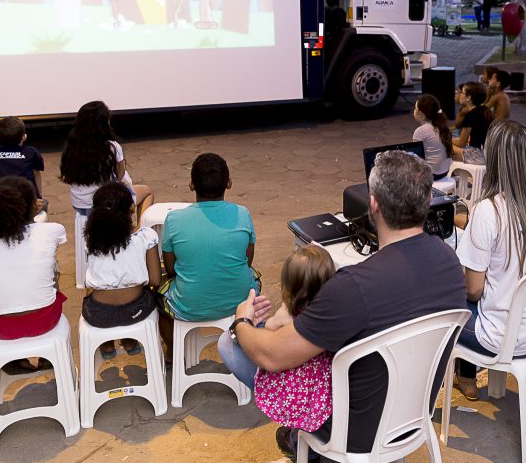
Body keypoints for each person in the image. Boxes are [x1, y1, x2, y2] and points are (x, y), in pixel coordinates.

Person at [217, 150, 466, 463]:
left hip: (356, 426)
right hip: (415, 410)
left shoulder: (354, 286)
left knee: (229, 344)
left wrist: (242, 322)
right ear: (427, 200)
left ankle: (299, 431)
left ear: (373, 204)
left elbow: (272, 357)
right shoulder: (450, 263)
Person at [454, 120, 526, 400]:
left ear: (493, 160)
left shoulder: (488, 211)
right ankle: (465, 378)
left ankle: (453, 381)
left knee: (440, 303)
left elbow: (474, 291)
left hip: (500, 338)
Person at [157, 153, 259, 352]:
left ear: (191, 185)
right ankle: (248, 346)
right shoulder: (242, 213)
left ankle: (172, 352)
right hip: (238, 303)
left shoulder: (174, 219)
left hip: (188, 305)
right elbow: (247, 261)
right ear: (229, 183)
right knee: (254, 281)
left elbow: (170, 270)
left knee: (158, 299)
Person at [250, 246, 337, 442]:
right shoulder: (329, 315)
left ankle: (299, 444)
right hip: (322, 393)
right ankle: (307, 444)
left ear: (286, 288)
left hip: (295, 390)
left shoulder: (285, 315)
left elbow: (268, 337)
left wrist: (255, 325)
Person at [0, 177, 68, 343]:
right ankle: (46, 357)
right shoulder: (52, 230)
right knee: (51, 273)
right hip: (46, 320)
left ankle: (11, 362)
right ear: (33, 208)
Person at [81, 182, 162, 359]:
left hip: (98, 314)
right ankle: (129, 339)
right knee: (149, 294)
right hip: (136, 311)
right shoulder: (145, 236)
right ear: (132, 208)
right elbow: (155, 280)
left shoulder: (90, 240)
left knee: (94, 290)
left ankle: (107, 343)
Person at [60, 100, 154, 218]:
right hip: (106, 202)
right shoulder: (112, 147)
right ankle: (138, 228)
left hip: (79, 204)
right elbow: (121, 176)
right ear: (104, 123)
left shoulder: (71, 147)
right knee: (146, 191)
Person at [0, 116, 47, 213]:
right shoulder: (31, 152)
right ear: (24, 137)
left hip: (4, 200)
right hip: (28, 202)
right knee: (44, 203)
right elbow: (36, 174)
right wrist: (39, 195)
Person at [412, 93, 453, 179]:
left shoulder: (421, 131)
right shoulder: (442, 126)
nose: (414, 110)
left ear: (421, 115)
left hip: (432, 175)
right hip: (445, 171)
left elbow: (415, 158)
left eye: (415, 108)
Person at [452, 81, 494, 163]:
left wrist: (446, 139)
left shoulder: (471, 115)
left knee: (444, 147)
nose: (460, 95)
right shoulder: (486, 110)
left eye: (462, 93)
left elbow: (461, 143)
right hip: (490, 153)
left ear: (468, 97)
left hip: (479, 155)